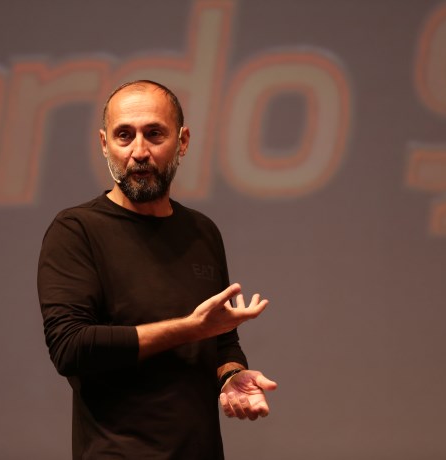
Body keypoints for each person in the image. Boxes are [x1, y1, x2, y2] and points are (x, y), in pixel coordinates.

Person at [37, 80, 277, 459]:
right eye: (124, 136)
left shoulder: (202, 231)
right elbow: (70, 348)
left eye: (154, 134)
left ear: (182, 142)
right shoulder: (77, 230)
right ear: (104, 144)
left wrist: (231, 374)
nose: (139, 152)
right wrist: (190, 328)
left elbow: (220, 339)